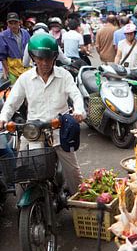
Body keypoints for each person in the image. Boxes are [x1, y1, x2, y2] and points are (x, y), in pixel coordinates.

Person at [0, 34, 86, 195]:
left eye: (49, 58)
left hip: (59, 130)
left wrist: (79, 111)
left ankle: (81, 208)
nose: (45, 63)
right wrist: (3, 118)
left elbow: (75, 95)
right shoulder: (25, 78)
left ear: (55, 57)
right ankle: (22, 205)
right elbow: (12, 102)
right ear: (33, 57)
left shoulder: (64, 75)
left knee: (74, 174)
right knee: (21, 174)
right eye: (40, 59)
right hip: (33, 131)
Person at [0, 12, 31, 83]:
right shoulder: (3, 36)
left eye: (15, 23)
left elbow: (30, 48)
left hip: (26, 65)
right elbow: (2, 56)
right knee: (14, 89)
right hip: (12, 68)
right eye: (11, 23)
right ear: (7, 24)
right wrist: (6, 70)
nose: (13, 26)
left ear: (19, 22)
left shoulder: (25, 33)